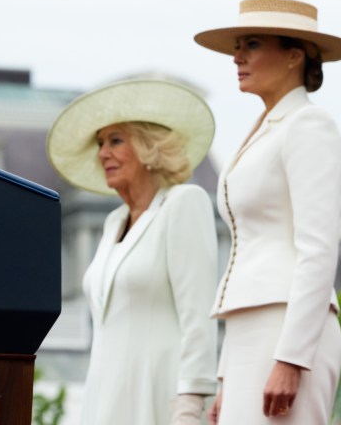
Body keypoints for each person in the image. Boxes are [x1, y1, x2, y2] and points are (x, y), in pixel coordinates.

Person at [194, 0, 341, 424]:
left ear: (294, 56)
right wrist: (226, 377)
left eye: (251, 44)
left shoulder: (309, 125)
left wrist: (292, 359)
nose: (237, 57)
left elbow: (317, 250)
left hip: (290, 329)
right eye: (237, 46)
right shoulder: (266, 130)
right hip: (251, 330)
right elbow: (243, 255)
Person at [47, 77, 219, 425]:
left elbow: (199, 315)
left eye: (115, 140)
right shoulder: (112, 223)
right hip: (103, 393)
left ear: (148, 147)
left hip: (159, 393)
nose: (103, 153)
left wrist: (189, 404)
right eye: (100, 143)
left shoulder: (184, 203)